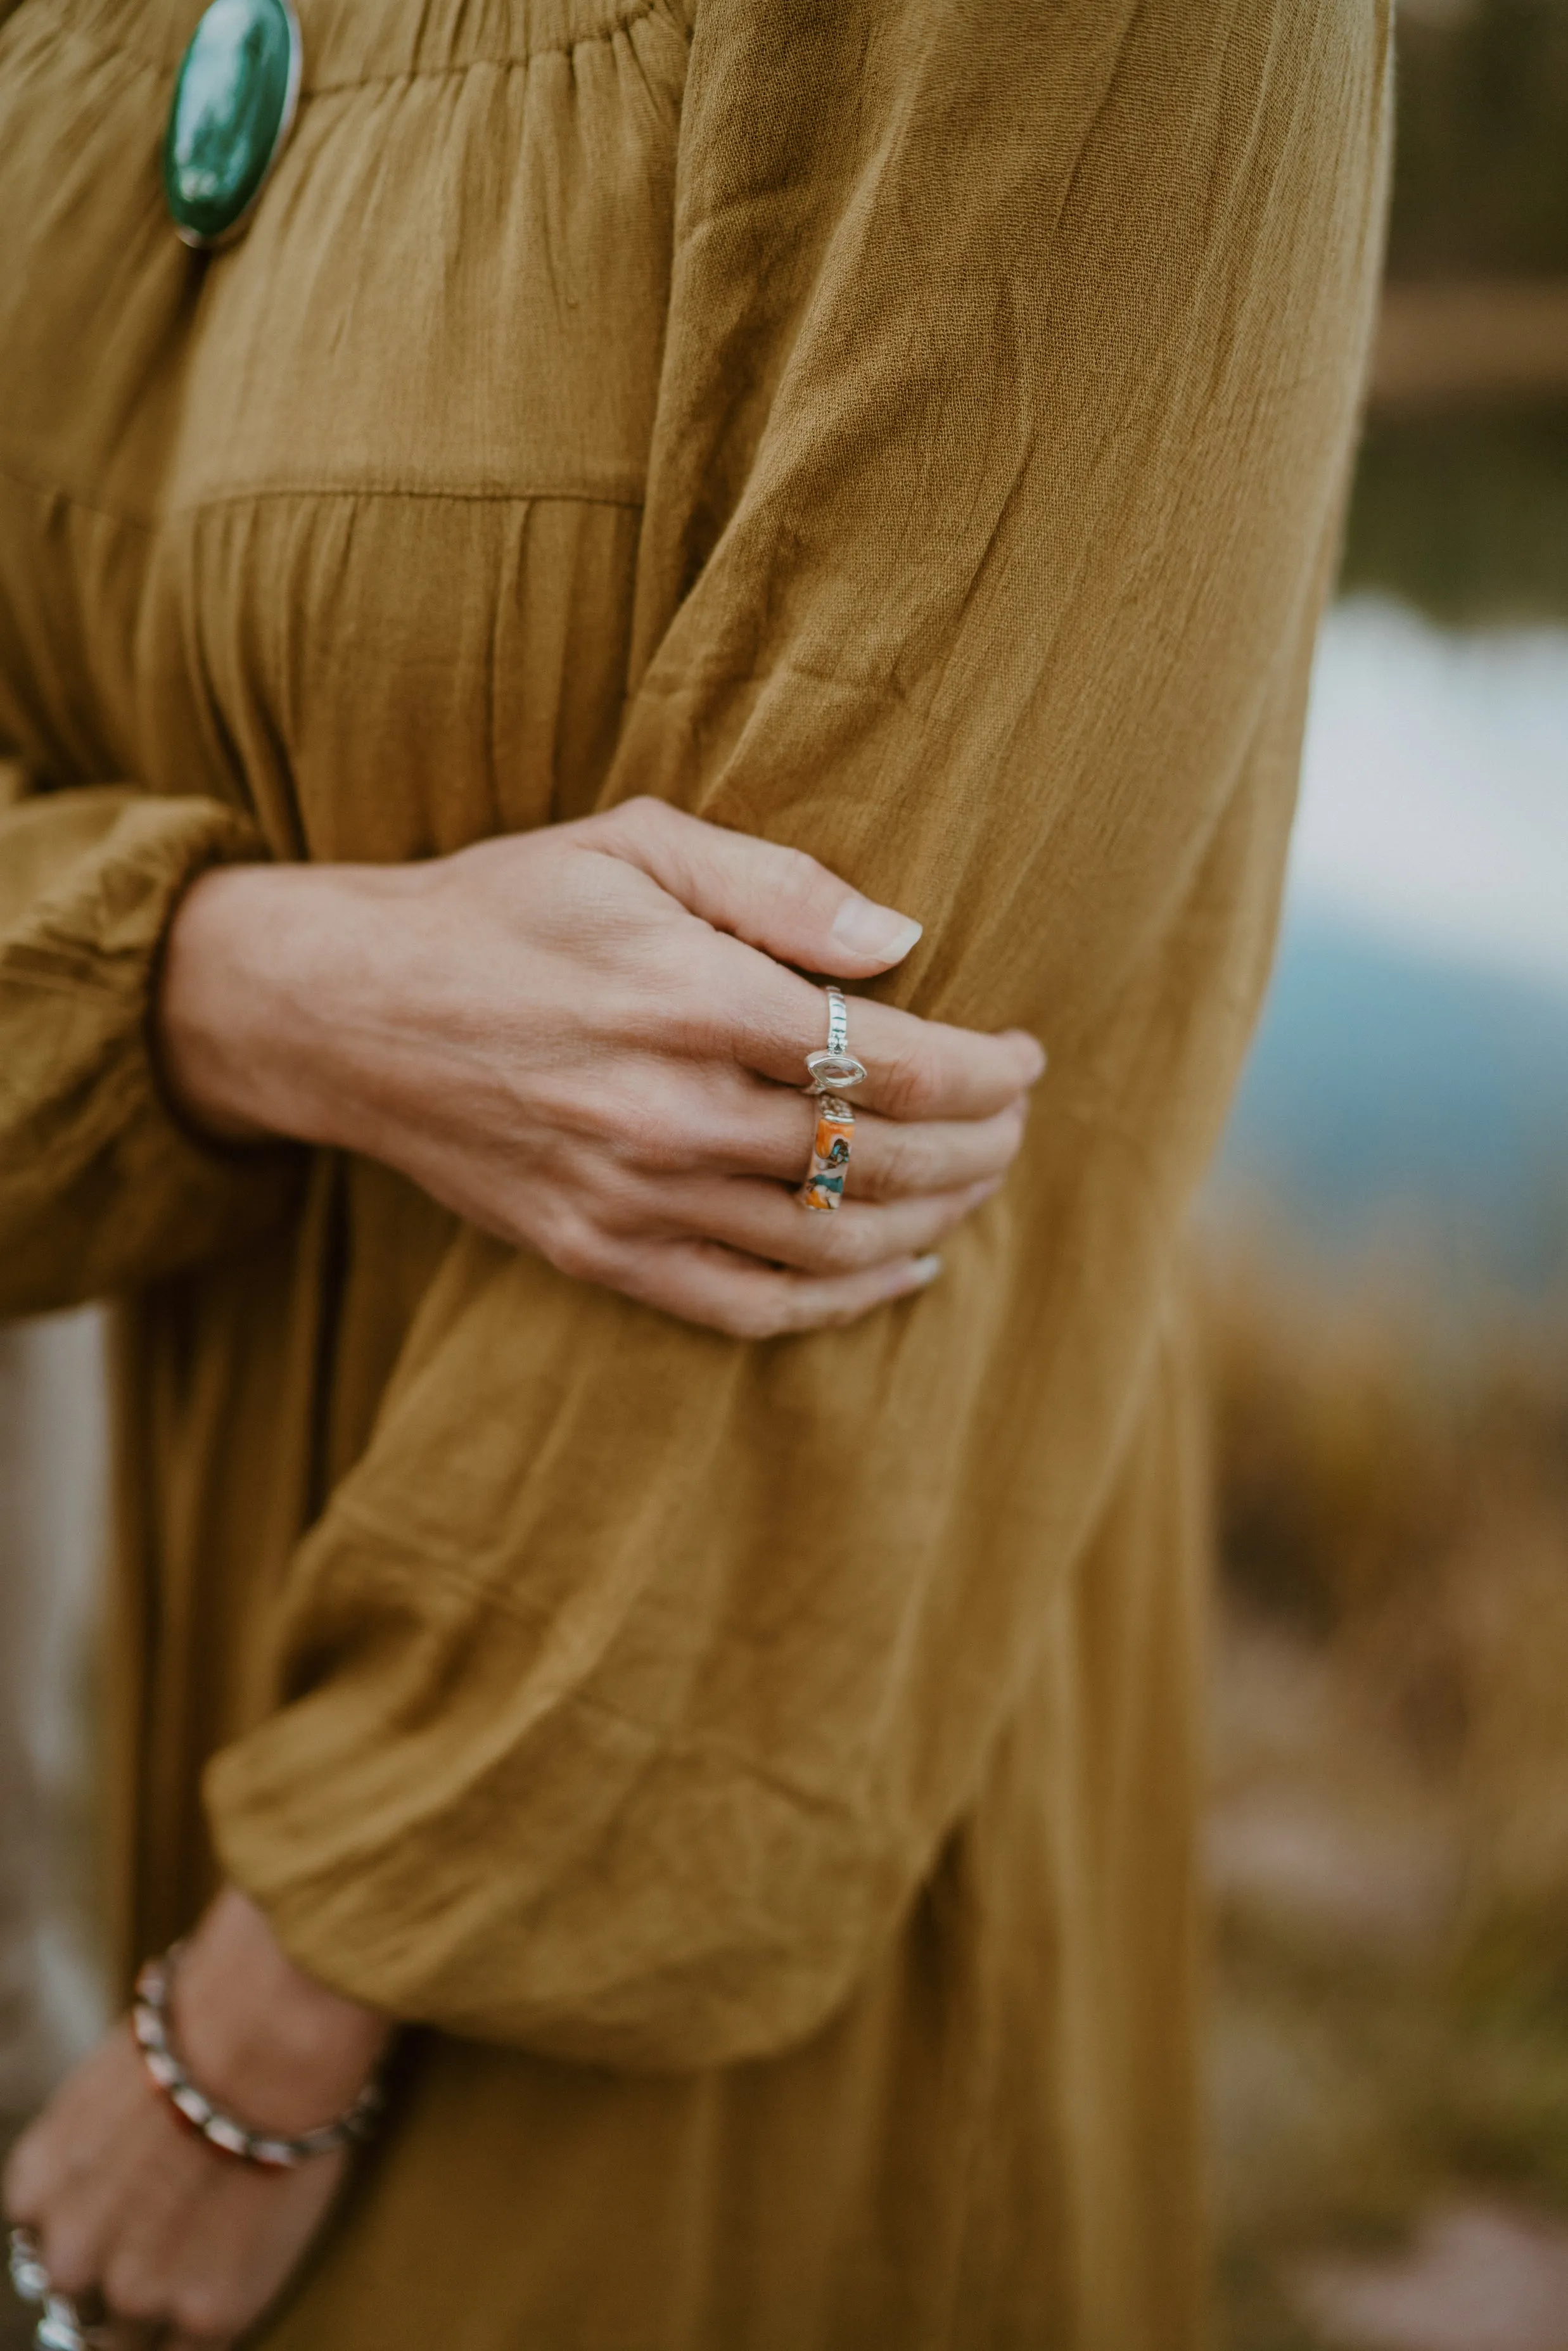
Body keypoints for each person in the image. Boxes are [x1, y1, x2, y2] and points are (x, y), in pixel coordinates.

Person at [0, 0, 1391, 2343]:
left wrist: (273, 2018)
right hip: (182, 1647)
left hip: (707, 1724)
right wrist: (242, 984)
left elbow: (838, 1109)